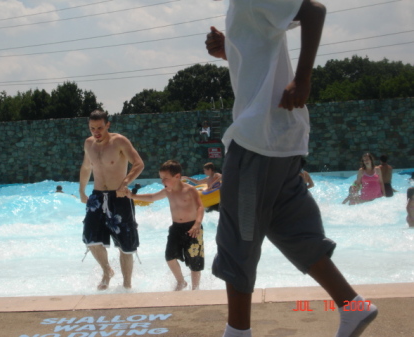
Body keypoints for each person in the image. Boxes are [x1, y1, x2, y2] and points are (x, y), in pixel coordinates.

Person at [205, 1, 377, 336]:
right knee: (292, 231)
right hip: (281, 139)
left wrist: (303, 78)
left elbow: (313, 10)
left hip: (258, 139)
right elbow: (263, 50)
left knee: (237, 238)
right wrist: (230, 50)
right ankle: (352, 306)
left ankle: (237, 332)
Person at [79, 109, 144, 291]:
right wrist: (82, 191)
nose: (96, 132)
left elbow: (138, 163)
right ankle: (107, 271)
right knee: (90, 239)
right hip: (97, 196)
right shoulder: (88, 144)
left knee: (126, 245)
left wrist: (125, 182)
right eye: (92, 128)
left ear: (108, 125)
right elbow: (86, 168)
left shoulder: (119, 141)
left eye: (100, 127)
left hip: (120, 197)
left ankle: (127, 285)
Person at [127, 160, 204, 291]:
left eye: (165, 178)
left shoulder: (189, 190)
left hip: (193, 228)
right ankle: (181, 282)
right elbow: (152, 197)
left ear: (177, 176)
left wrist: (197, 224)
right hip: (176, 228)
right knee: (170, 257)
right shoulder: (168, 191)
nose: (162, 181)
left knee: (194, 261)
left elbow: (200, 207)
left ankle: (195, 289)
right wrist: (132, 196)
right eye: (161, 178)